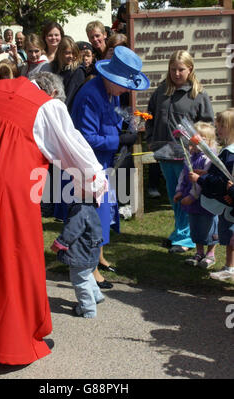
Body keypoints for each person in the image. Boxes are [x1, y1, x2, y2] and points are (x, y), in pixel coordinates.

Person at [0, 72, 107, 369]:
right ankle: (7, 343)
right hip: (10, 186)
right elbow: (76, 151)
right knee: (14, 258)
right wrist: (96, 183)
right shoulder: (47, 106)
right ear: (52, 92)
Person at [71, 46, 150, 288]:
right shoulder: (89, 95)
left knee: (106, 211)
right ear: (112, 78)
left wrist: (129, 127)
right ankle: (91, 270)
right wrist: (120, 140)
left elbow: (113, 119)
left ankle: (100, 257)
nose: (127, 90)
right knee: (95, 216)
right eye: (126, 84)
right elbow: (85, 138)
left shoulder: (111, 92)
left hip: (103, 163)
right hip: (87, 166)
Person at [145, 50, 214, 254]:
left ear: (190, 69)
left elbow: (207, 125)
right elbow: (150, 116)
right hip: (165, 154)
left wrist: (199, 148)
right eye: (173, 69)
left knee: (186, 193)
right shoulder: (161, 92)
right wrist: (150, 139)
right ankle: (179, 232)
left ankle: (186, 238)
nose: (176, 73)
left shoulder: (198, 95)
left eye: (181, 69)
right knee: (173, 195)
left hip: (187, 157)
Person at [189, 109, 234, 281]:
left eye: (222, 126)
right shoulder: (227, 151)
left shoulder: (229, 153)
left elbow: (221, 181)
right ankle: (229, 267)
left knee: (231, 238)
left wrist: (202, 178)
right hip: (229, 199)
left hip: (228, 203)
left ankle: (229, 268)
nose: (218, 129)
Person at [51, 192, 105, 318]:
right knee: (87, 275)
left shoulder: (79, 210)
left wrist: (59, 244)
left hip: (80, 253)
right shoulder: (90, 206)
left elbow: (71, 231)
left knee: (80, 280)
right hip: (91, 251)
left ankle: (87, 308)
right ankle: (96, 296)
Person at [174, 121, 219, 268]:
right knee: (195, 225)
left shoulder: (209, 158)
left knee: (209, 225)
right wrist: (179, 191)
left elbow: (200, 182)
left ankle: (210, 253)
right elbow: (183, 174)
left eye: (196, 140)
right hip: (191, 200)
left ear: (207, 141)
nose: (191, 143)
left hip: (205, 199)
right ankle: (199, 252)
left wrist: (192, 196)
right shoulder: (191, 156)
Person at [51, 36, 86, 112]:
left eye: (74, 53)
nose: (71, 56)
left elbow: (70, 98)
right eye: (67, 53)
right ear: (60, 53)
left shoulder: (77, 72)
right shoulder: (57, 69)